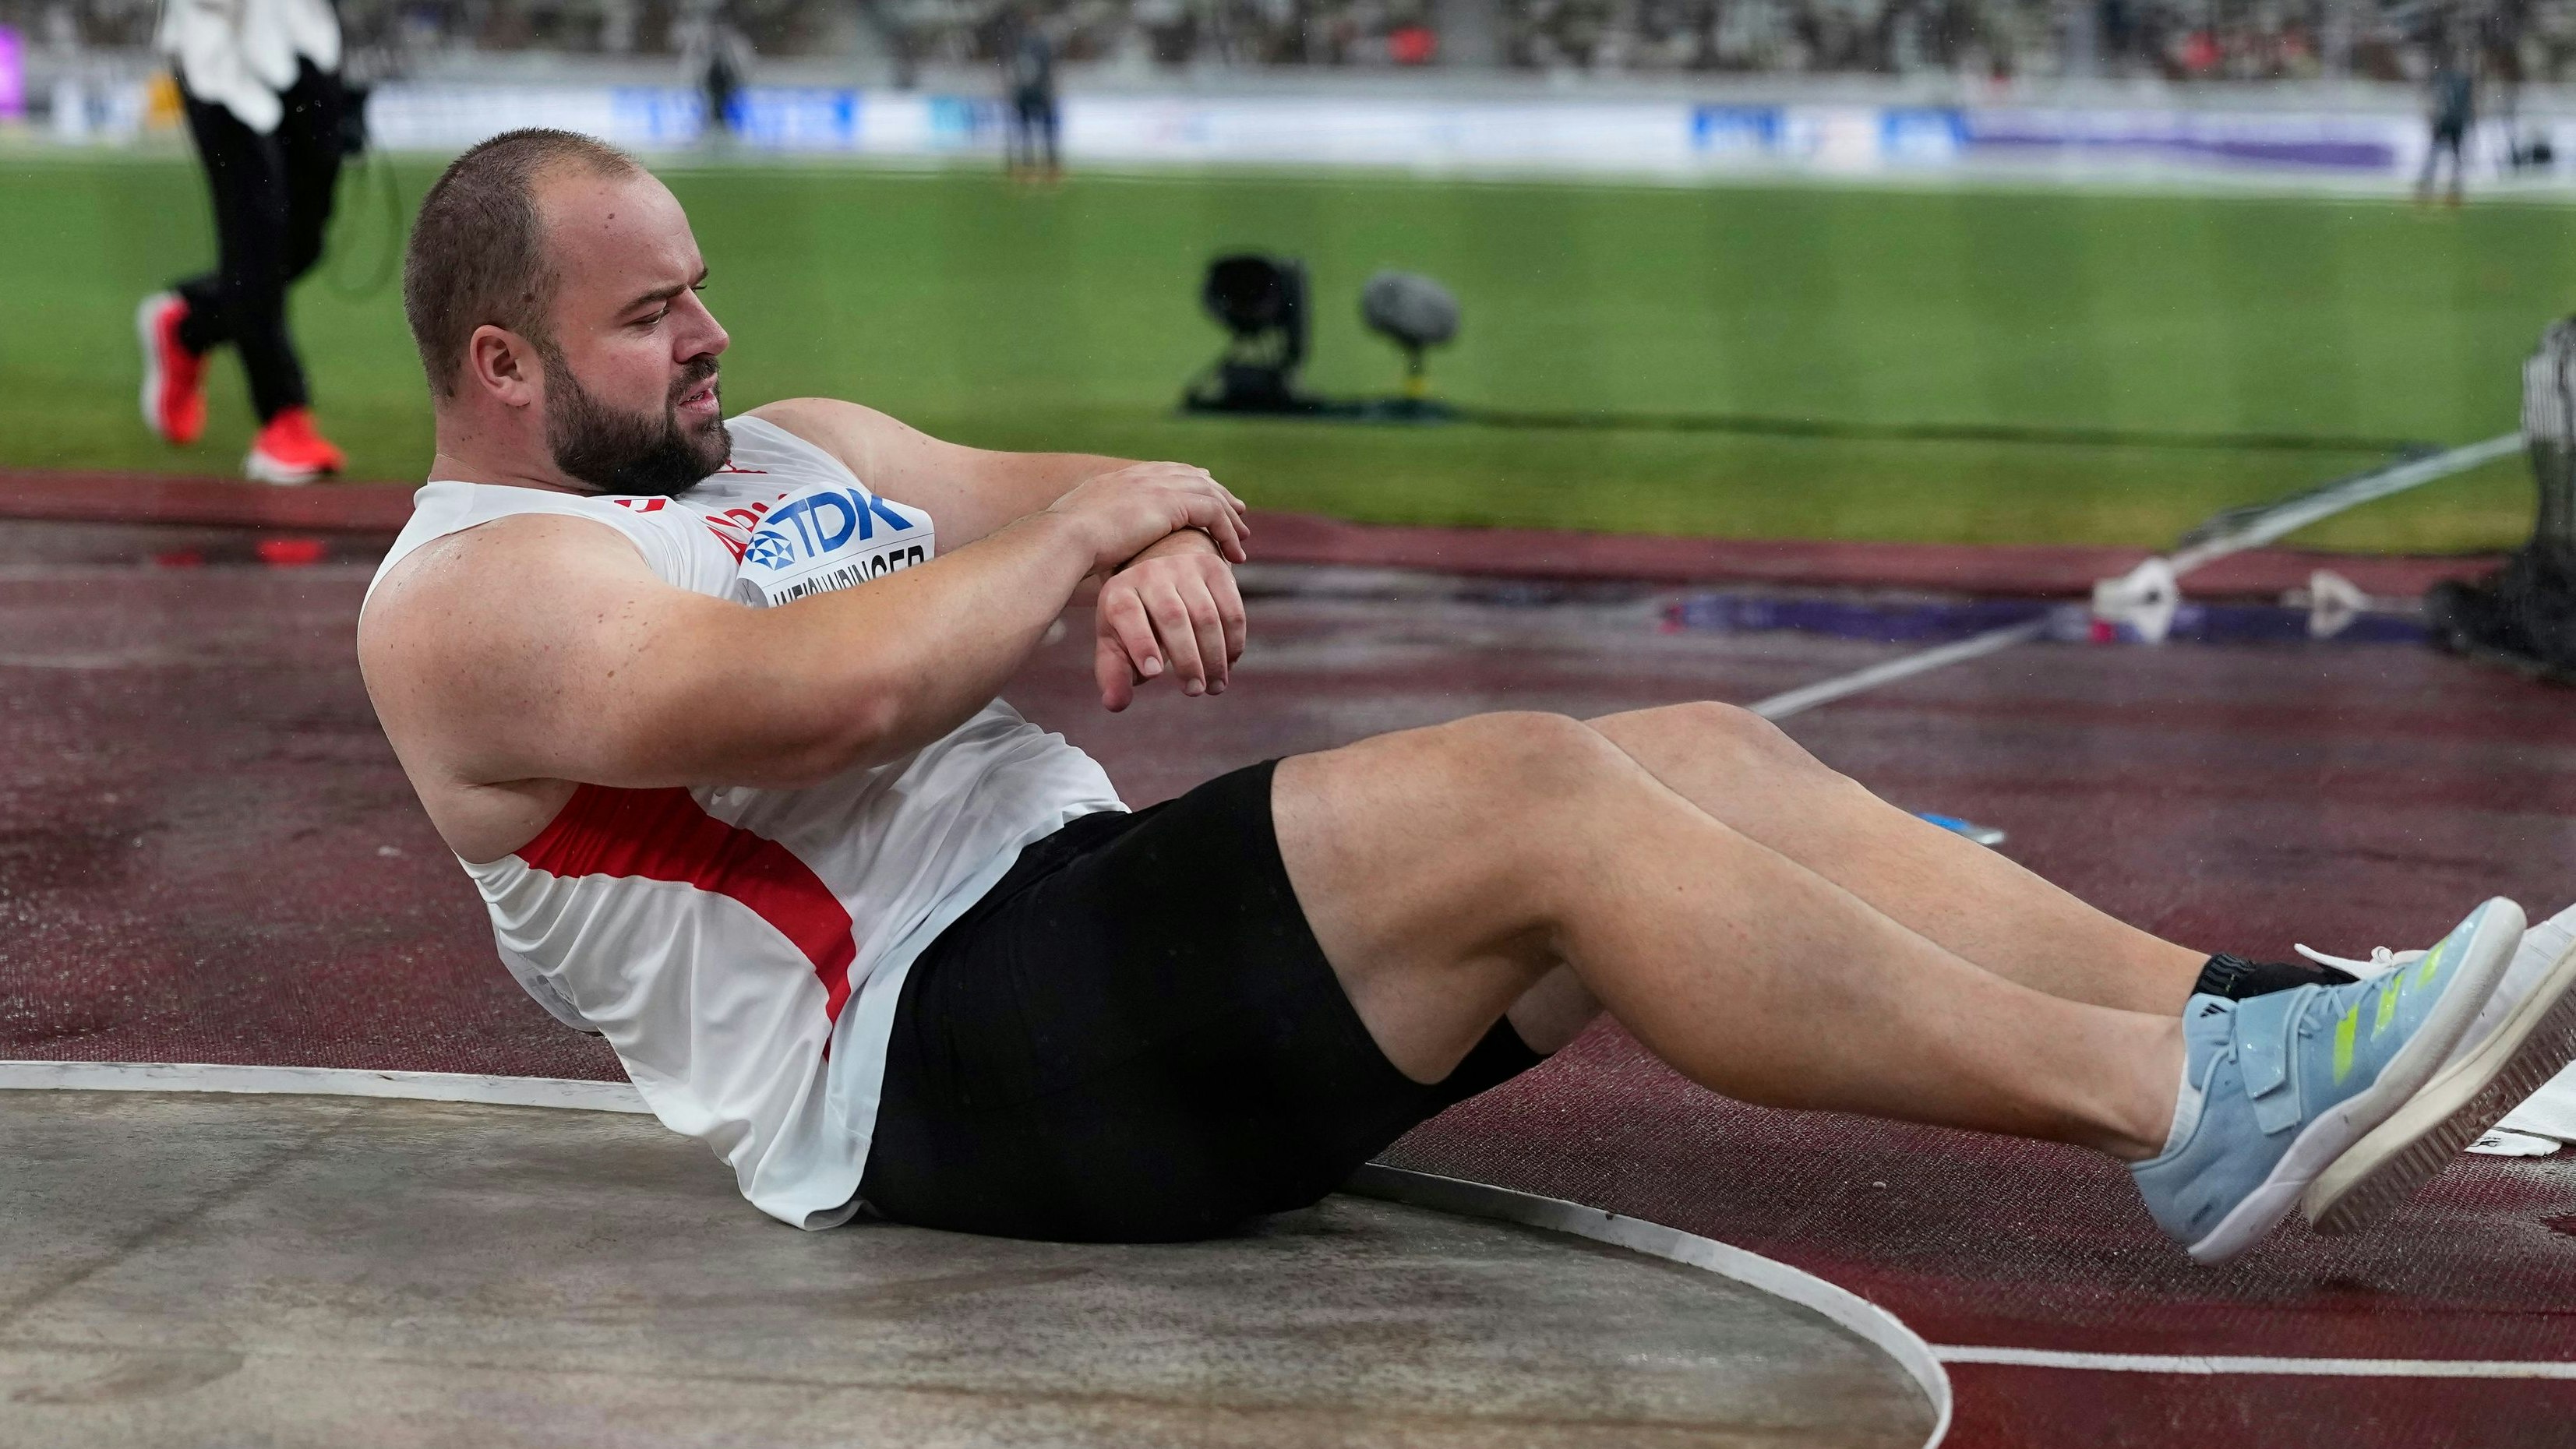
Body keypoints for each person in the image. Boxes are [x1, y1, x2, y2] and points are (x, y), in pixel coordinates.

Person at [359, 129, 2576, 1265]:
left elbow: (1073, 495)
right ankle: (2182, 1113)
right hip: (926, 1066)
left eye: (704, 287)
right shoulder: (472, 601)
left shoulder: (784, 449)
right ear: (504, 362)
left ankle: (2262, 1019)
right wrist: (1084, 530)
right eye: (652, 315)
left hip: (1074, 925)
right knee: (1536, 793)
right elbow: (817, 701)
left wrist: (1137, 522)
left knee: (1685, 754)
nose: (711, 337)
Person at [139, 0, 351, 485]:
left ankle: (192, 325)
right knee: (256, 236)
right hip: (219, 44)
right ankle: (284, 419)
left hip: (304, 34)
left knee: (302, 243)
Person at [1000, 8, 1059, 184]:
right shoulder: (1026, 42)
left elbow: (1048, 67)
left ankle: (1047, 167)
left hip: (1036, 91)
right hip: (1029, 92)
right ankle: (1032, 167)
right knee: (1028, 131)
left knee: (1039, 131)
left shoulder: (1028, 42)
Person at [2420, 50, 2475, 204]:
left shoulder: (2442, 77)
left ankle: (2430, 190)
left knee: (2438, 157)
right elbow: (2469, 103)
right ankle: (2450, 192)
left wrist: (2432, 117)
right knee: (2450, 158)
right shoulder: (2461, 79)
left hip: (2447, 122)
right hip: (2453, 122)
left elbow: (2433, 100)